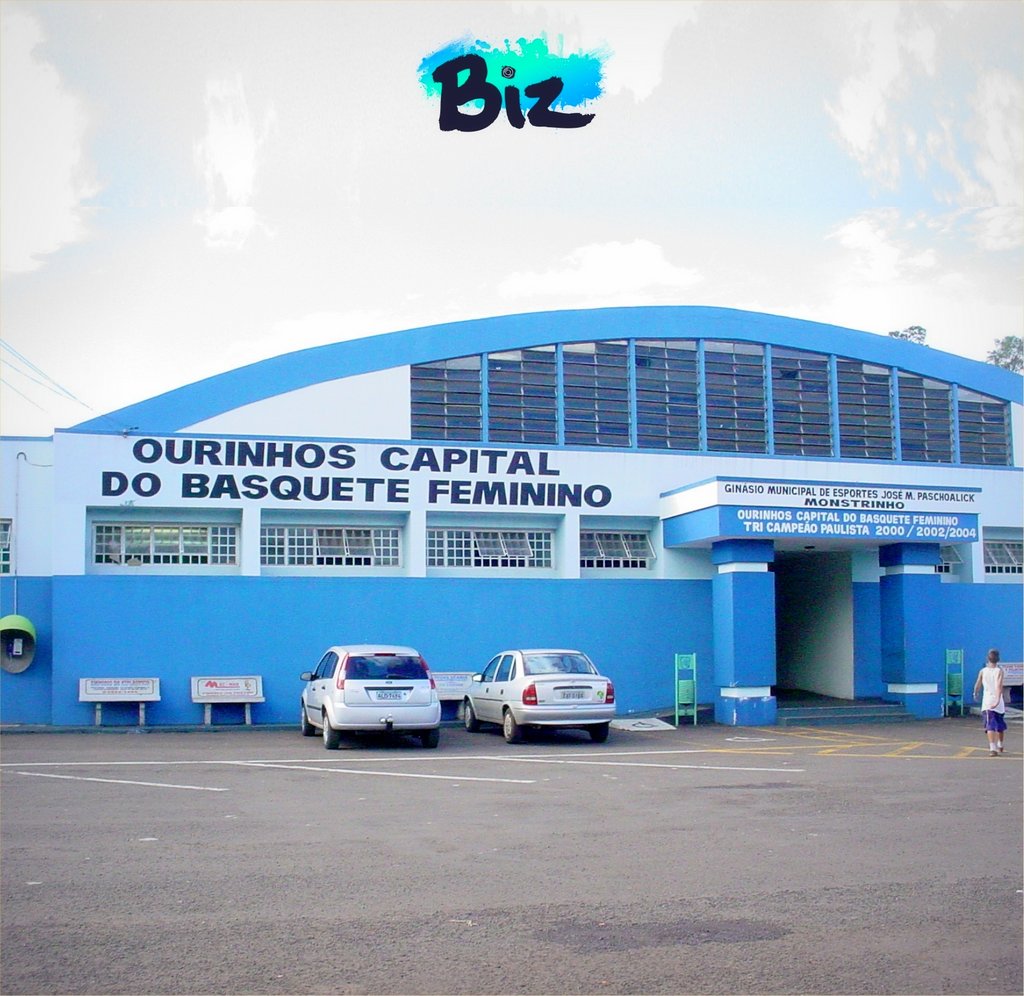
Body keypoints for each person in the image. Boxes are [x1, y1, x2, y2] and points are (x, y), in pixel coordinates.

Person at [973, 648, 1006, 756]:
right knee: (999, 724)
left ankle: (993, 747)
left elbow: (978, 683)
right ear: (998, 659)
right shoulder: (999, 671)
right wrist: (997, 699)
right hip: (998, 702)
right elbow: (999, 686)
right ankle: (1000, 744)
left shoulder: (983, 671)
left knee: (990, 724)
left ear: (988, 658)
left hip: (988, 702)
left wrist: (975, 693)